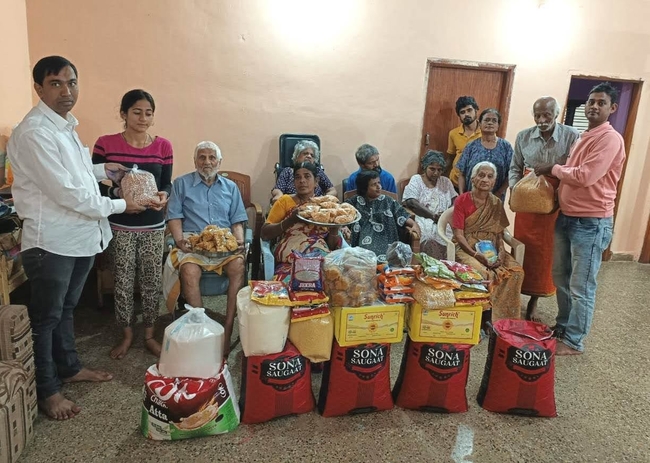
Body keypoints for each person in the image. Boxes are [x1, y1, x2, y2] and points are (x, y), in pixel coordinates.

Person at [6, 56, 145, 420]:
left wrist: (102, 169)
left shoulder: (63, 126)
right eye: (55, 83)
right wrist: (120, 204)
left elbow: (75, 174)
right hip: (52, 241)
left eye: (72, 82)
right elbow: (66, 193)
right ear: (38, 88)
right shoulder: (35, 132)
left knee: (66, 309)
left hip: (80, 238)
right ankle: (48, 391)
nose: (66, 91)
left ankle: (69, 367)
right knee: (45, 318)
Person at [535, 82, 625, 356]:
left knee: (581, 284)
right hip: (568, 217)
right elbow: (575, 172)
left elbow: (585, 176)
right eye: (591, 102)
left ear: (612, 108)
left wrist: (554, 168)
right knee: (560, 276)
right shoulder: (585, 136)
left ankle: (574, 341)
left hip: (591, 222)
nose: (594, 106)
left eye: (601, 102)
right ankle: (563, 326)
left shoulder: (609, 139)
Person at [92, 89, 174, 359]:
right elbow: (92, 186)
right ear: (124, 114)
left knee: (151, 281)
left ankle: (149, 334)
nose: (143, 117)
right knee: (123, 282)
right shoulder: (106, 144)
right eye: (136, 112)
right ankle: (126, 334)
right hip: (120, 225)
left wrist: (164, 195)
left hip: (153, 226)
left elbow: (165, 184)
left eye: (148, 113)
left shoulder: (163, 146)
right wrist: (117, 195)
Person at [165, 141, 247, 358]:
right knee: (189, 270)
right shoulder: (181, 184)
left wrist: (239, 243)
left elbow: (237, 220)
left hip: (224, 241)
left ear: (219, 162)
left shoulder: (231, 187)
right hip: (194, 242)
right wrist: (180, 239)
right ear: (195, 161)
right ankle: (203, 333)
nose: (207, 162)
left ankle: (228, 329)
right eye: (202, 157)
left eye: (212, 158)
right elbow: (174, 215)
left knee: (238, 264)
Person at [509, 97, 579, 322]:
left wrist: (560, 197)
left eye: (546, 115)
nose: (541, 120)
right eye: (537, 115)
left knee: (547, 253)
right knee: (524, 251)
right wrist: (514, 192)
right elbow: (515, 168)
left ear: (556, 113)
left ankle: (534, 301)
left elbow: (574, 170)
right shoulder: (523, 136)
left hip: (555, 203)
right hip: (528, 203)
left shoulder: (571, 136)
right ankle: (515, 297)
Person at [452, 161, 524, 322]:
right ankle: (483, 317)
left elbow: (499, 234)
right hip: (466, 247)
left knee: (516, 272)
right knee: (484, 272)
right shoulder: (462, 200)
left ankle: (503, 319)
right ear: (473, 178)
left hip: (491, 246)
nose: (485, 179)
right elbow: (458, 234)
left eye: (490, 176)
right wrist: (475, 254)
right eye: (481, 175)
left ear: (494, 182)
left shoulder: (496, 203)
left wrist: (501, 252)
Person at [262, 161, 342, 280]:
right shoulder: (284, 201)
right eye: (297, 177)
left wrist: (334, 228)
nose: (302, 181)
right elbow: (265, 233)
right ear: (294, 182)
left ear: (316, 182)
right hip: (290, 258)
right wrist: (290, 220)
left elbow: (331, 245)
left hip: (319, 258)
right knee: (287, 283)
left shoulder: (325, 207)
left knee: (331, 281)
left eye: (307, 176)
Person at [345, 170, 420, 262]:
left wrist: (414, 225)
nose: (378, 187)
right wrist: (344, 226)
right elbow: (342, 216)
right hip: (362, 243)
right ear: (364, 188)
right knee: (366, 255)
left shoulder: (388, 201)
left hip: (386, 241)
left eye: (379, 183)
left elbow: (404, 216)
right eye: (373, 184)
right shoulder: (354, 202)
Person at [402, 150, 457, 259]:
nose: (436, 173)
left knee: (451, 238)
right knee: (429, 236)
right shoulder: (417, 180)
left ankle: (447, 267)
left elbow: (456, 200)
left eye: (439, 170)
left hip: (444, 219)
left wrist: (446, 213)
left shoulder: (446, 182)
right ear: (425, 167)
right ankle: (429, 266)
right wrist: (433, 216)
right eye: (432, 169)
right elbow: (411, 202)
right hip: (424, 218)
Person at [456, 108, 513, 200]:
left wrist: (499, 193)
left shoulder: (506, 147)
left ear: (498, 125)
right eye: (486, 120)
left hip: (495, 199)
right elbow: (462, 173)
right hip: (471, 198)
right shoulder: (471, 146)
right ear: (480, 124)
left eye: (494, 121)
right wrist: (462, 195)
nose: (490, 123)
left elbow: (511, 173)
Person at [271, 140, 336, 203]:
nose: (309, 156)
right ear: (296, 156)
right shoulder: (288, 171)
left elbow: (332, 190)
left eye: (312, 155)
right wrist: (280, 196)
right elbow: (277, 189)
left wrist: (321, 199)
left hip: (315, 207)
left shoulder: (318, 171)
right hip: (292, 205)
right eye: (305, 153)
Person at [446, 96, 482, 187]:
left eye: (469, 110)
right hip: (455, 182)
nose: (466, 114)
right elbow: (450, 158)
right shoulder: (453, 133)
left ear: (476, 111)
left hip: (475, 183)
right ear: (459, 116)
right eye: (462, 112)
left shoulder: (485, 132)